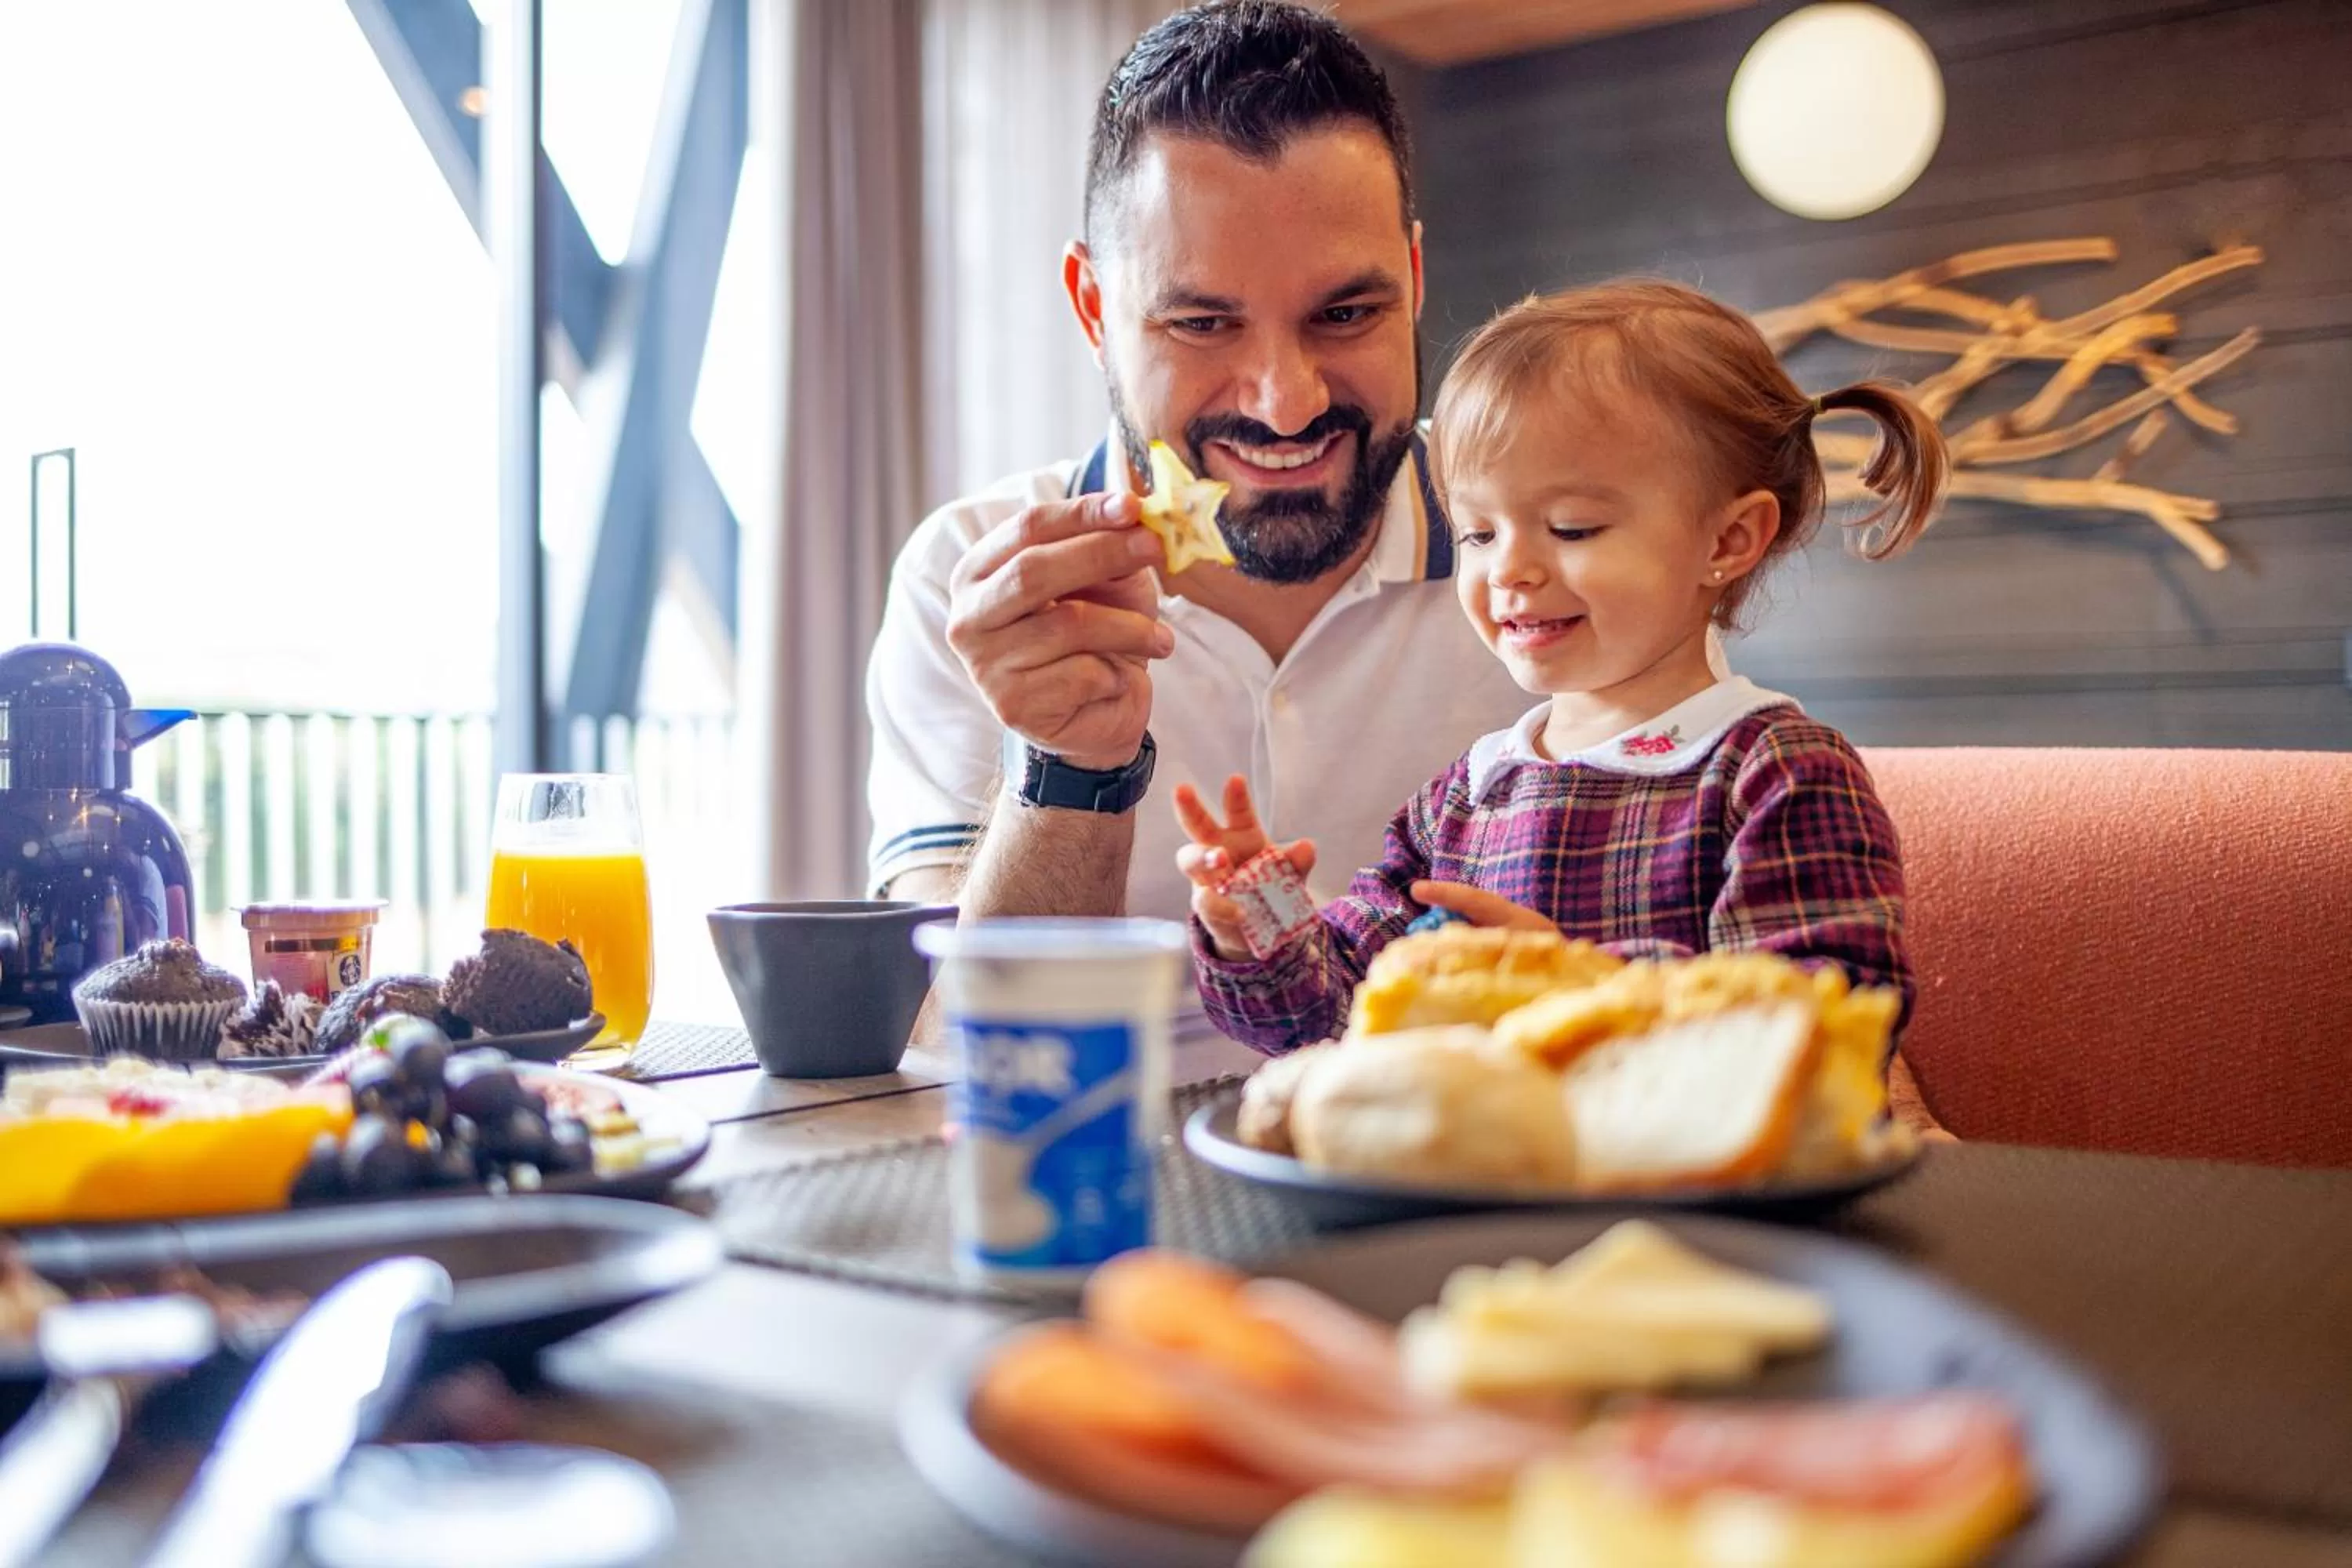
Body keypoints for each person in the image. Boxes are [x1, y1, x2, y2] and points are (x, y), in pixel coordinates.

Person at [864, 2, 1537, 931]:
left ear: (1414, 281)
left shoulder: (1564, 541)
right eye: (1202, 323)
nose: (1287, 402)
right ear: (1094, 308)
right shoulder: (973, 579)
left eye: (1345, 315)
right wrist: (1071, 768)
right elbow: (946, 1026)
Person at [1176, 281, 1945, 1054]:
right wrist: (1261, 917)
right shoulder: (1465, 801)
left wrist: (1581, 985)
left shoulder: (1772, 771)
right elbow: (1332, 1013)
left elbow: (1827, 1023)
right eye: (1478, 533)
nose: (1509, 569)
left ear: (1728, 539)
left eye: (1571, 527)